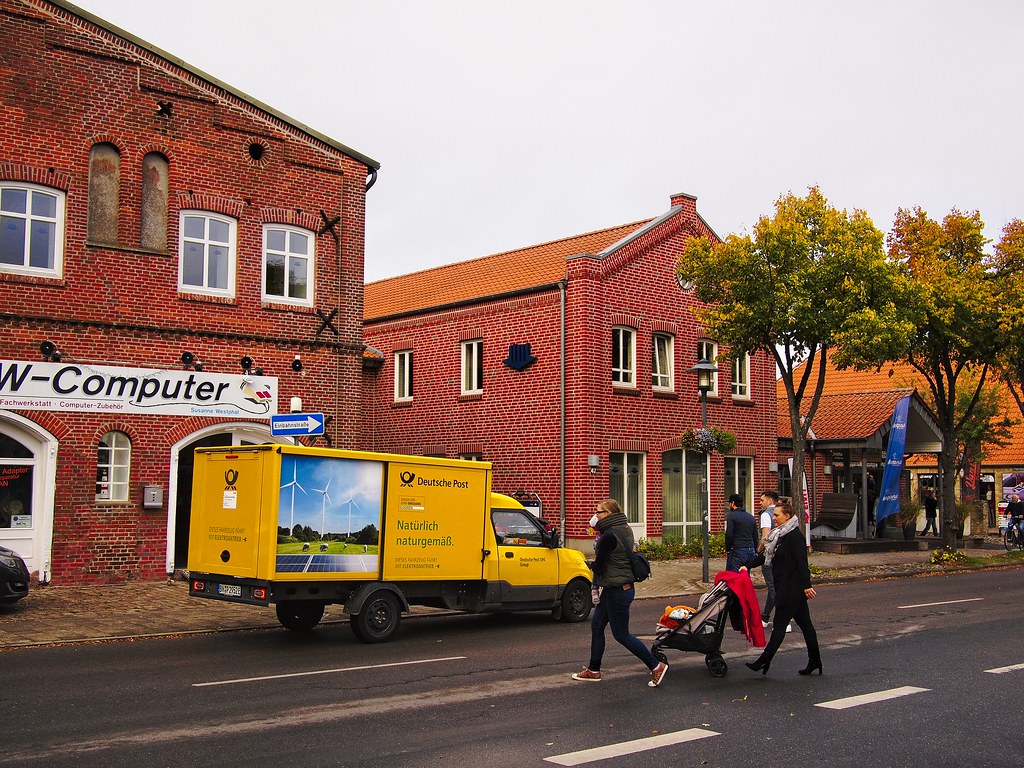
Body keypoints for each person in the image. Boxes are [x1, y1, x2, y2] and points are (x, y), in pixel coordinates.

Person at [572, 498, 669, 687]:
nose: (595, 515)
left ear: (608, 514)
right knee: (597, 627)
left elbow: (600, 564)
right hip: (614, 589)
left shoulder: (609, 536)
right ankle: (593, 670)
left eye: (598, 512)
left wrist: (590, 566)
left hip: (618, 591)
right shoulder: (624, 528)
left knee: (621, 634)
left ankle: (656, 666)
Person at [741, 497, 821, 676]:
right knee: (806, 626)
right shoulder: (779, 535)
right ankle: (815, 660)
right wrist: (748, 565)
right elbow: (766, 555)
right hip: (788, 589)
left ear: (787, 516)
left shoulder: (794, 537)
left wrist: (807, 586)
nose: (774, 518)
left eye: (776, 515)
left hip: (790, 590)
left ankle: (764, 661)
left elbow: (802, 563)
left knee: (779, 627)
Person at [756, 491, 789, 633]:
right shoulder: (784, 513)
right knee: (774, 586)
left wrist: (758, 551)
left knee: (773, 587)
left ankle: (784, 619)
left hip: (769, 555)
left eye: (762, 500)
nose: (759, 502)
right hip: (782, 555)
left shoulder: (765, 515)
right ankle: (764, 618)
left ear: (770, 501)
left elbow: (765, 536)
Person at [724, 493, 757, 572]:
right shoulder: (751, 517)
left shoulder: (732, 516)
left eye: (729, 503)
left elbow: (729, 534)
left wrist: (728, 549)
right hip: (750, 550)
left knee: (733, 576)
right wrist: (755, 550)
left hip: (738, 550)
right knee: (745, 574)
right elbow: (755, 535)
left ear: (732, 503)